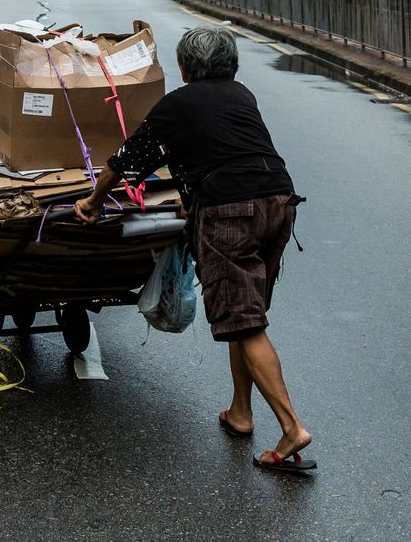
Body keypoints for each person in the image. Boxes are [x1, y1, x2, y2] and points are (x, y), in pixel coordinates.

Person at [75, 26, 314, 474]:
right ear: (232, 64)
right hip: (278, 204)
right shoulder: (241, 95)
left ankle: (291, 427)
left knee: (243, 322)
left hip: (231, 212)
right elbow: (219, 148)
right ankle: (240, 412)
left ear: (185, 68)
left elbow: (126, 160)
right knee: (245, 316)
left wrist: (91, 201)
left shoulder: (178, 104)